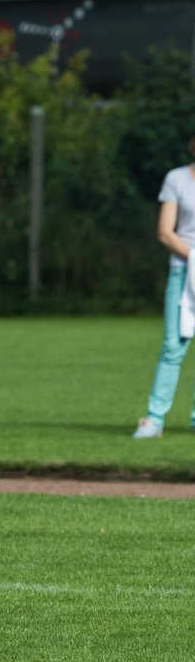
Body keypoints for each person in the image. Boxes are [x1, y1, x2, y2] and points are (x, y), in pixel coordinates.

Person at [133, 141, 195, 439]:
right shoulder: (177, 179)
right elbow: (165, 232)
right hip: (184, 272)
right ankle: (155, 419)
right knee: (173, 345)